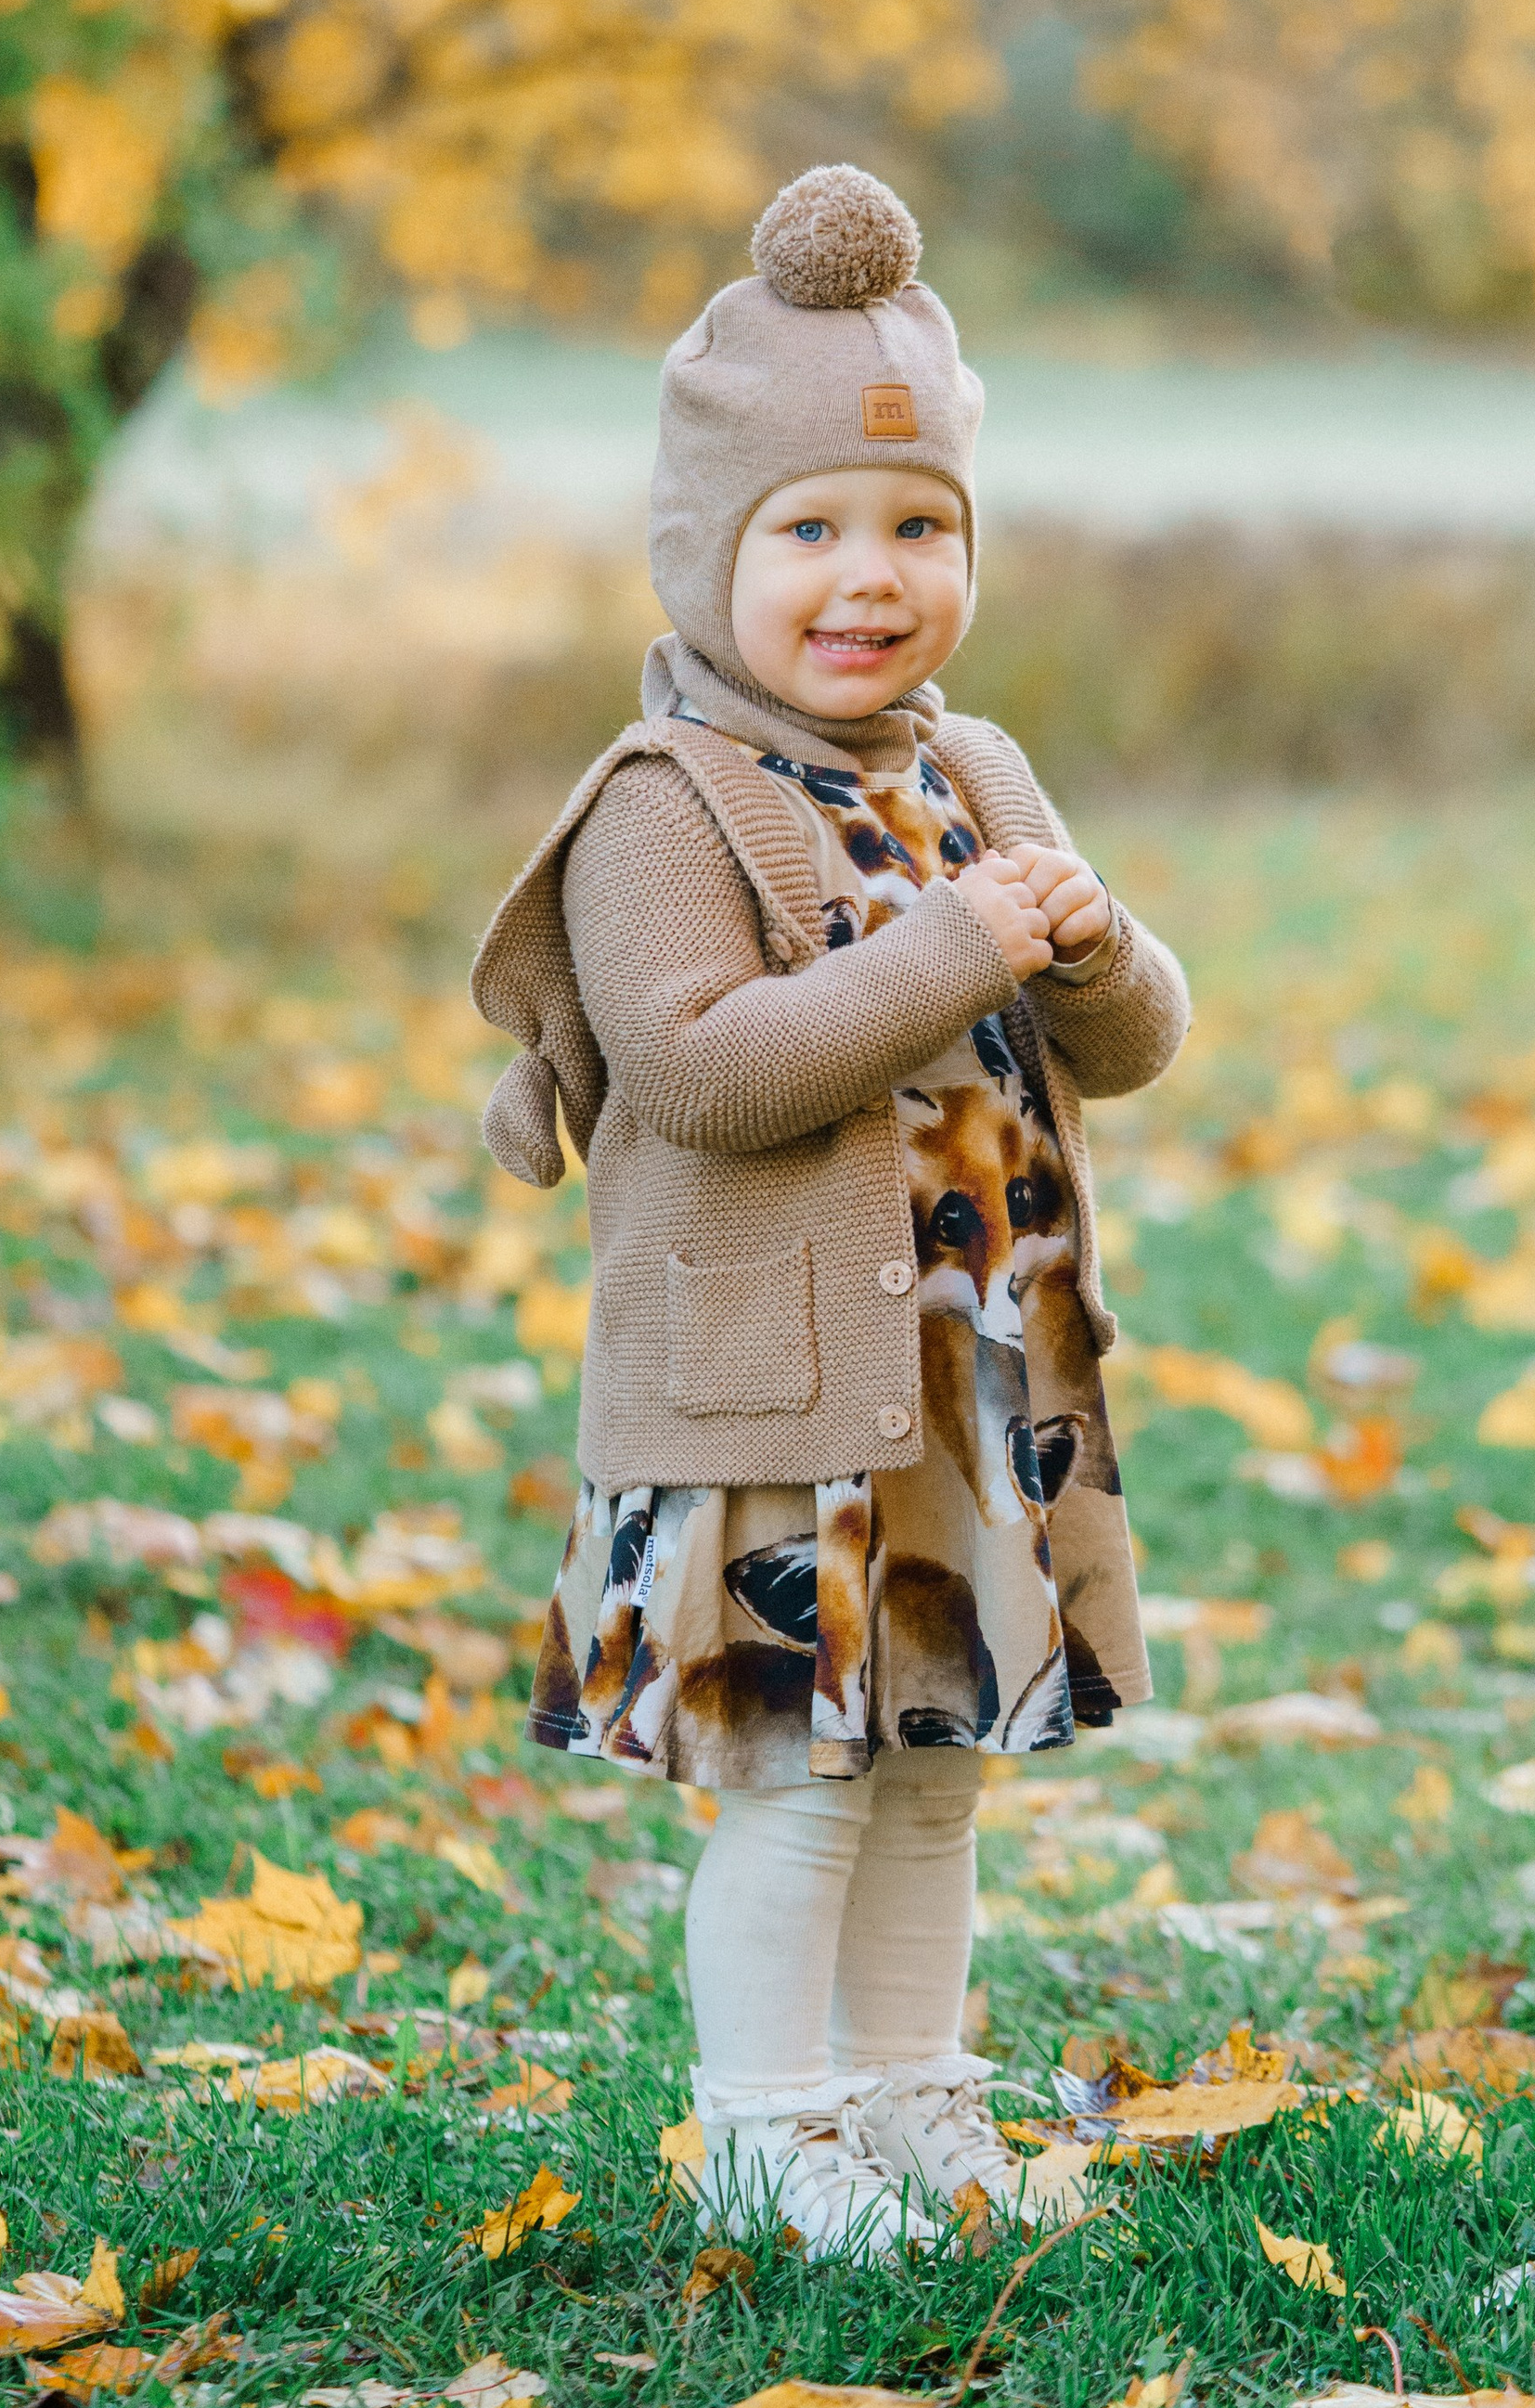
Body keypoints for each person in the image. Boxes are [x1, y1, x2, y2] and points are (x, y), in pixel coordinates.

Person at [471, 163, 1190, 2263]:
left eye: (917, 528)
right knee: (800, 1785)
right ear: (708, 553)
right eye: (809, 529)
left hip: (970, 1389)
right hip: (785, 1410)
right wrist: (958, 949)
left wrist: (1076, 943)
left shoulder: (979, 769)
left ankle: (912, 2102)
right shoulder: (656, 809)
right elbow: (703, 1070)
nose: (867, 576)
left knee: (937, 1766)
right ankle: (768, 2131)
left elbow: (1130, 1040)